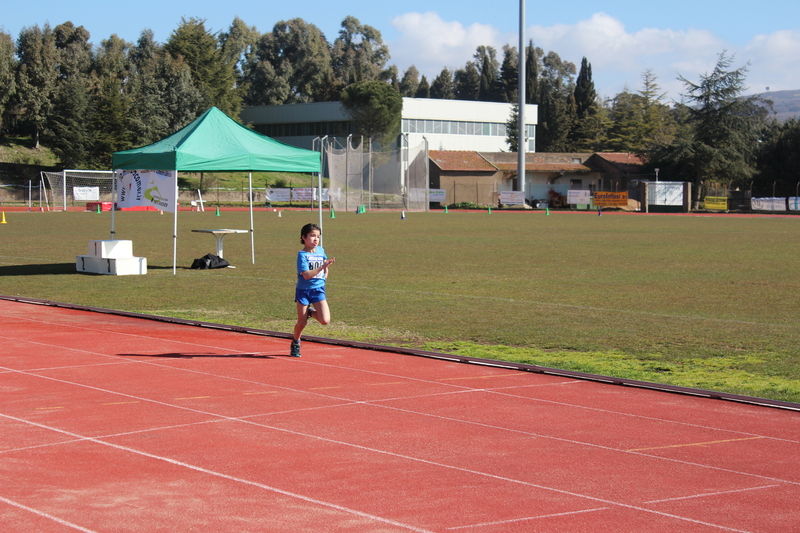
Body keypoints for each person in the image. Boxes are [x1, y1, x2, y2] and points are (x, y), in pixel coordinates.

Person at [291, 223, 335, 357]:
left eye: (318, 236)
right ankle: (296, 342)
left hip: (318, 290)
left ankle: (309, 312)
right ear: (303, 237)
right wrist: (322, 268)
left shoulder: (321, 250)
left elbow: (325, 264)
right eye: (312, 236)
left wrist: (324, 276)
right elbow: (306, 275)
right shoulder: (302, 255)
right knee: (301, 322)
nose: (316, 239)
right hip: (303, 291)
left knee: (325, 320)